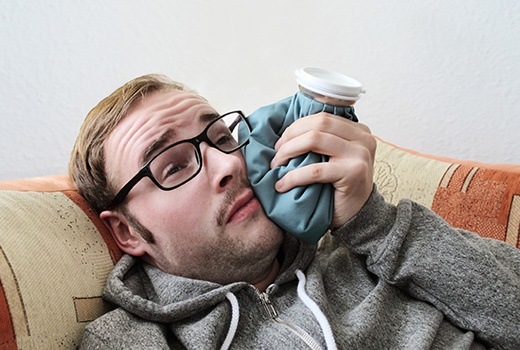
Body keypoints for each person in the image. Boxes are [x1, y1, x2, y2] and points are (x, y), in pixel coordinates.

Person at [70, 74, 520, 349]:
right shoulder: (129, 340)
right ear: (128, 232)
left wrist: (376, 226)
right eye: (173, 165)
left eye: (223, 138)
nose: (230, 164)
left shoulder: (376, 245)